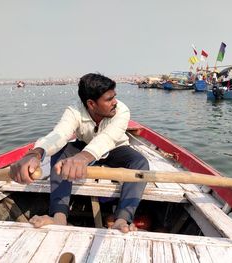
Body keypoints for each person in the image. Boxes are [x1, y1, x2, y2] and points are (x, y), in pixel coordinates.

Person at [10, 73, 149, 233]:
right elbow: (59, 134)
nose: (115, 102)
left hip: (115, 149)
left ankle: (121, 219)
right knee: (61, 152)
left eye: (114, 97)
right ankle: (59, 217)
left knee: (140, 163)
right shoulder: (74, 110)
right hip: (84, 147)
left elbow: (107, 138)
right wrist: (34, 154)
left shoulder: (122, 111)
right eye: (109, 99)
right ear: (91, 104)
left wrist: (82, 158)